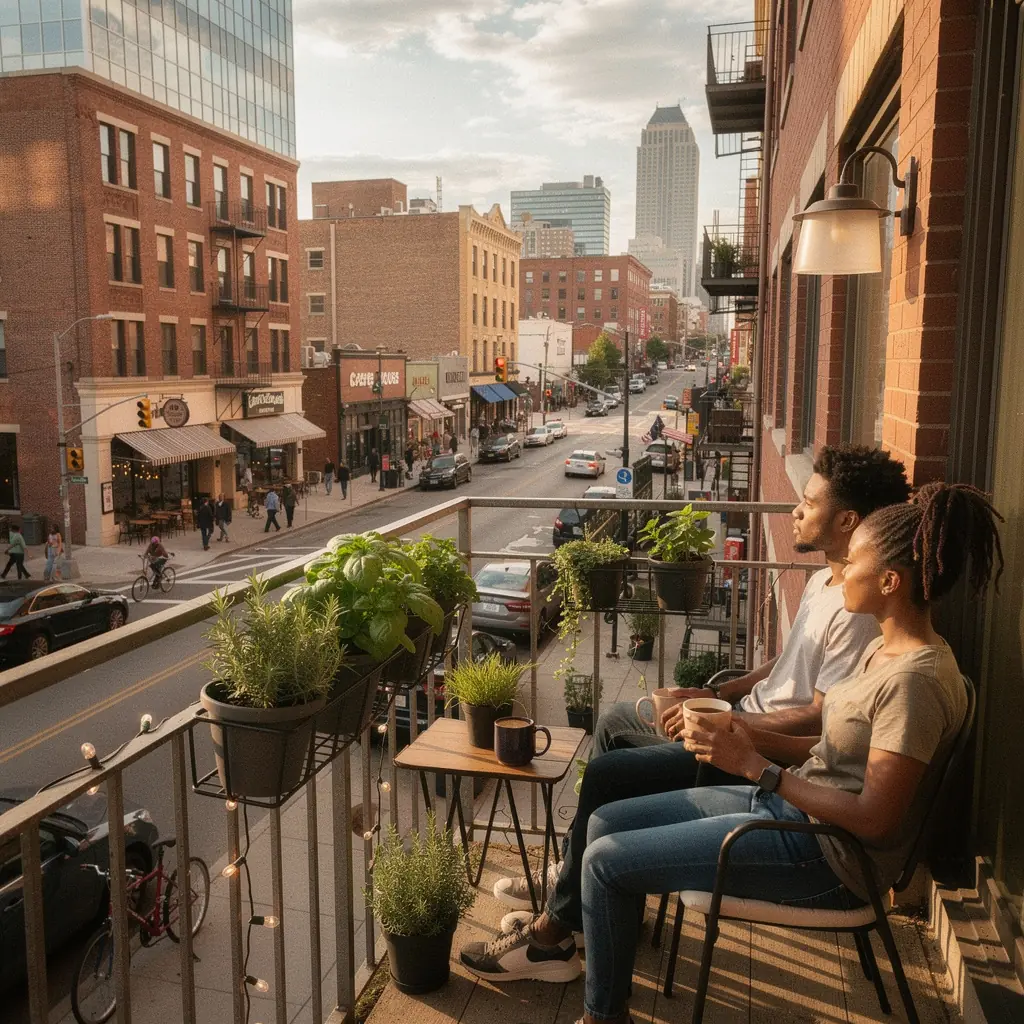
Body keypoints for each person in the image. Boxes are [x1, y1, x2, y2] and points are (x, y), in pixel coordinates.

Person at [543, 482, 1000, 1024]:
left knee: (604, 861)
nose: (843, 572)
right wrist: (742, 737)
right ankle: (603, 969)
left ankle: (601, 1015)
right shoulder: (885, 648)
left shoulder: (915, 684)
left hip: (825, 858)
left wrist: (755, 768)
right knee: (602, 822)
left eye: (853, 562)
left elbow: (877, 819)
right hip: (790, 814)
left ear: (890, 581)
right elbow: (832, 748)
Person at [460, 444, 913, 980]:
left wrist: (727, 724)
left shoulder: (860, 612)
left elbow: (819, 719)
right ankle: (584, 893)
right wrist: (714, 691)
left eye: (808, 503)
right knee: (615, 722)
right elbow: (784, 663)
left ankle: (558, 929)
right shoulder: (823, 581)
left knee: (608, 773)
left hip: (750, 751)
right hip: (739, 722)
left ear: (847, 521)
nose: (795, 510)